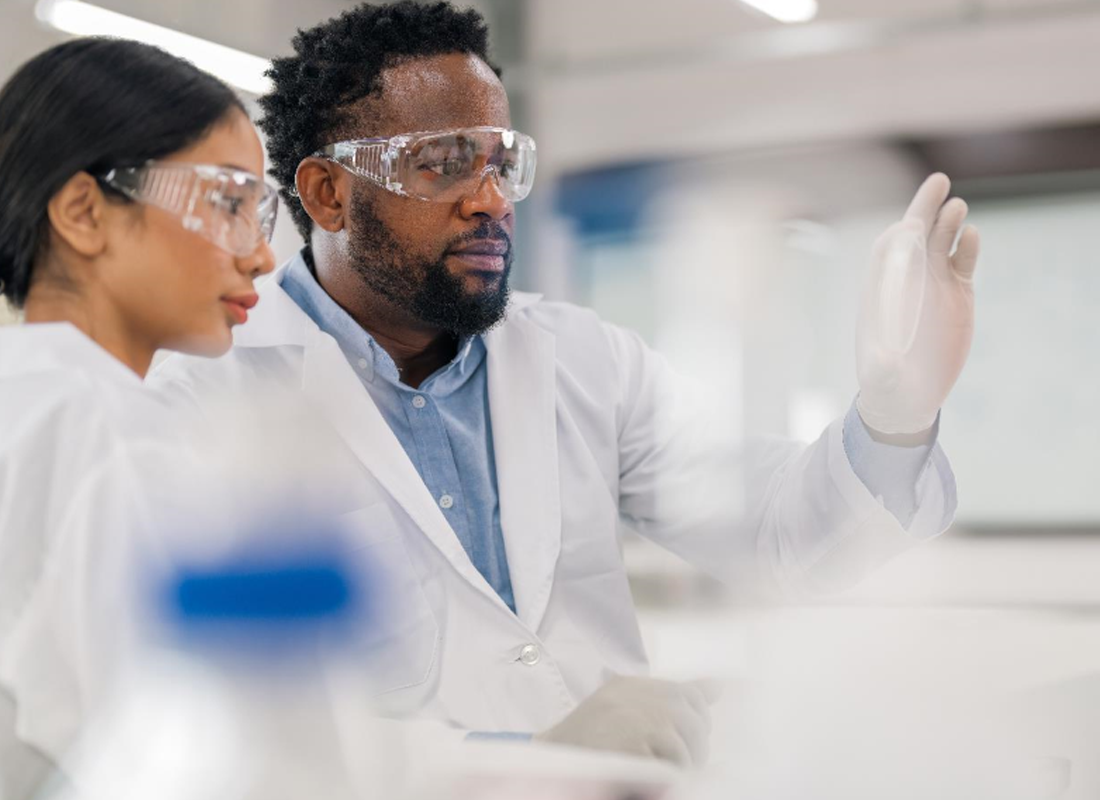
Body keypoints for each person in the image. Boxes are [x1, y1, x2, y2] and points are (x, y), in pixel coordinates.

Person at [151, 0, 979, 767]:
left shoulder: (586, 360)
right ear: (329, 194)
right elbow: (229, 724)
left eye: (502, 164)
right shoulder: (209, 400)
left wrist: (896, 417)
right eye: (443, 165)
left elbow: (776, 535)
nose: (489, 201)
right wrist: (520, 750)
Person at [0, 37, 276, 799]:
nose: (261, 254)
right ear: (83, 212)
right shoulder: (99, 433)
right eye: (229, 203)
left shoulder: (33, 413)